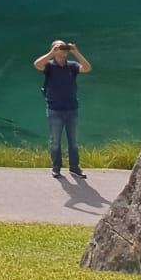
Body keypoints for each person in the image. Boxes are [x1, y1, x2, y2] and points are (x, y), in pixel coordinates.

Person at [33, 39, 91, 180]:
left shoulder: (72, 66)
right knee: (56, 141)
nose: (63, 50)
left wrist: (76, 52)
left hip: (72, 109)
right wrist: (51, 53)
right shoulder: (49, 67)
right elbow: (36, 64)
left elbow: (87, 68)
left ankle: (74, 168)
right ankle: (56, 168)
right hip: (54, 110)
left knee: (74, 142)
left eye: (64, 48)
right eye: (60, 47)